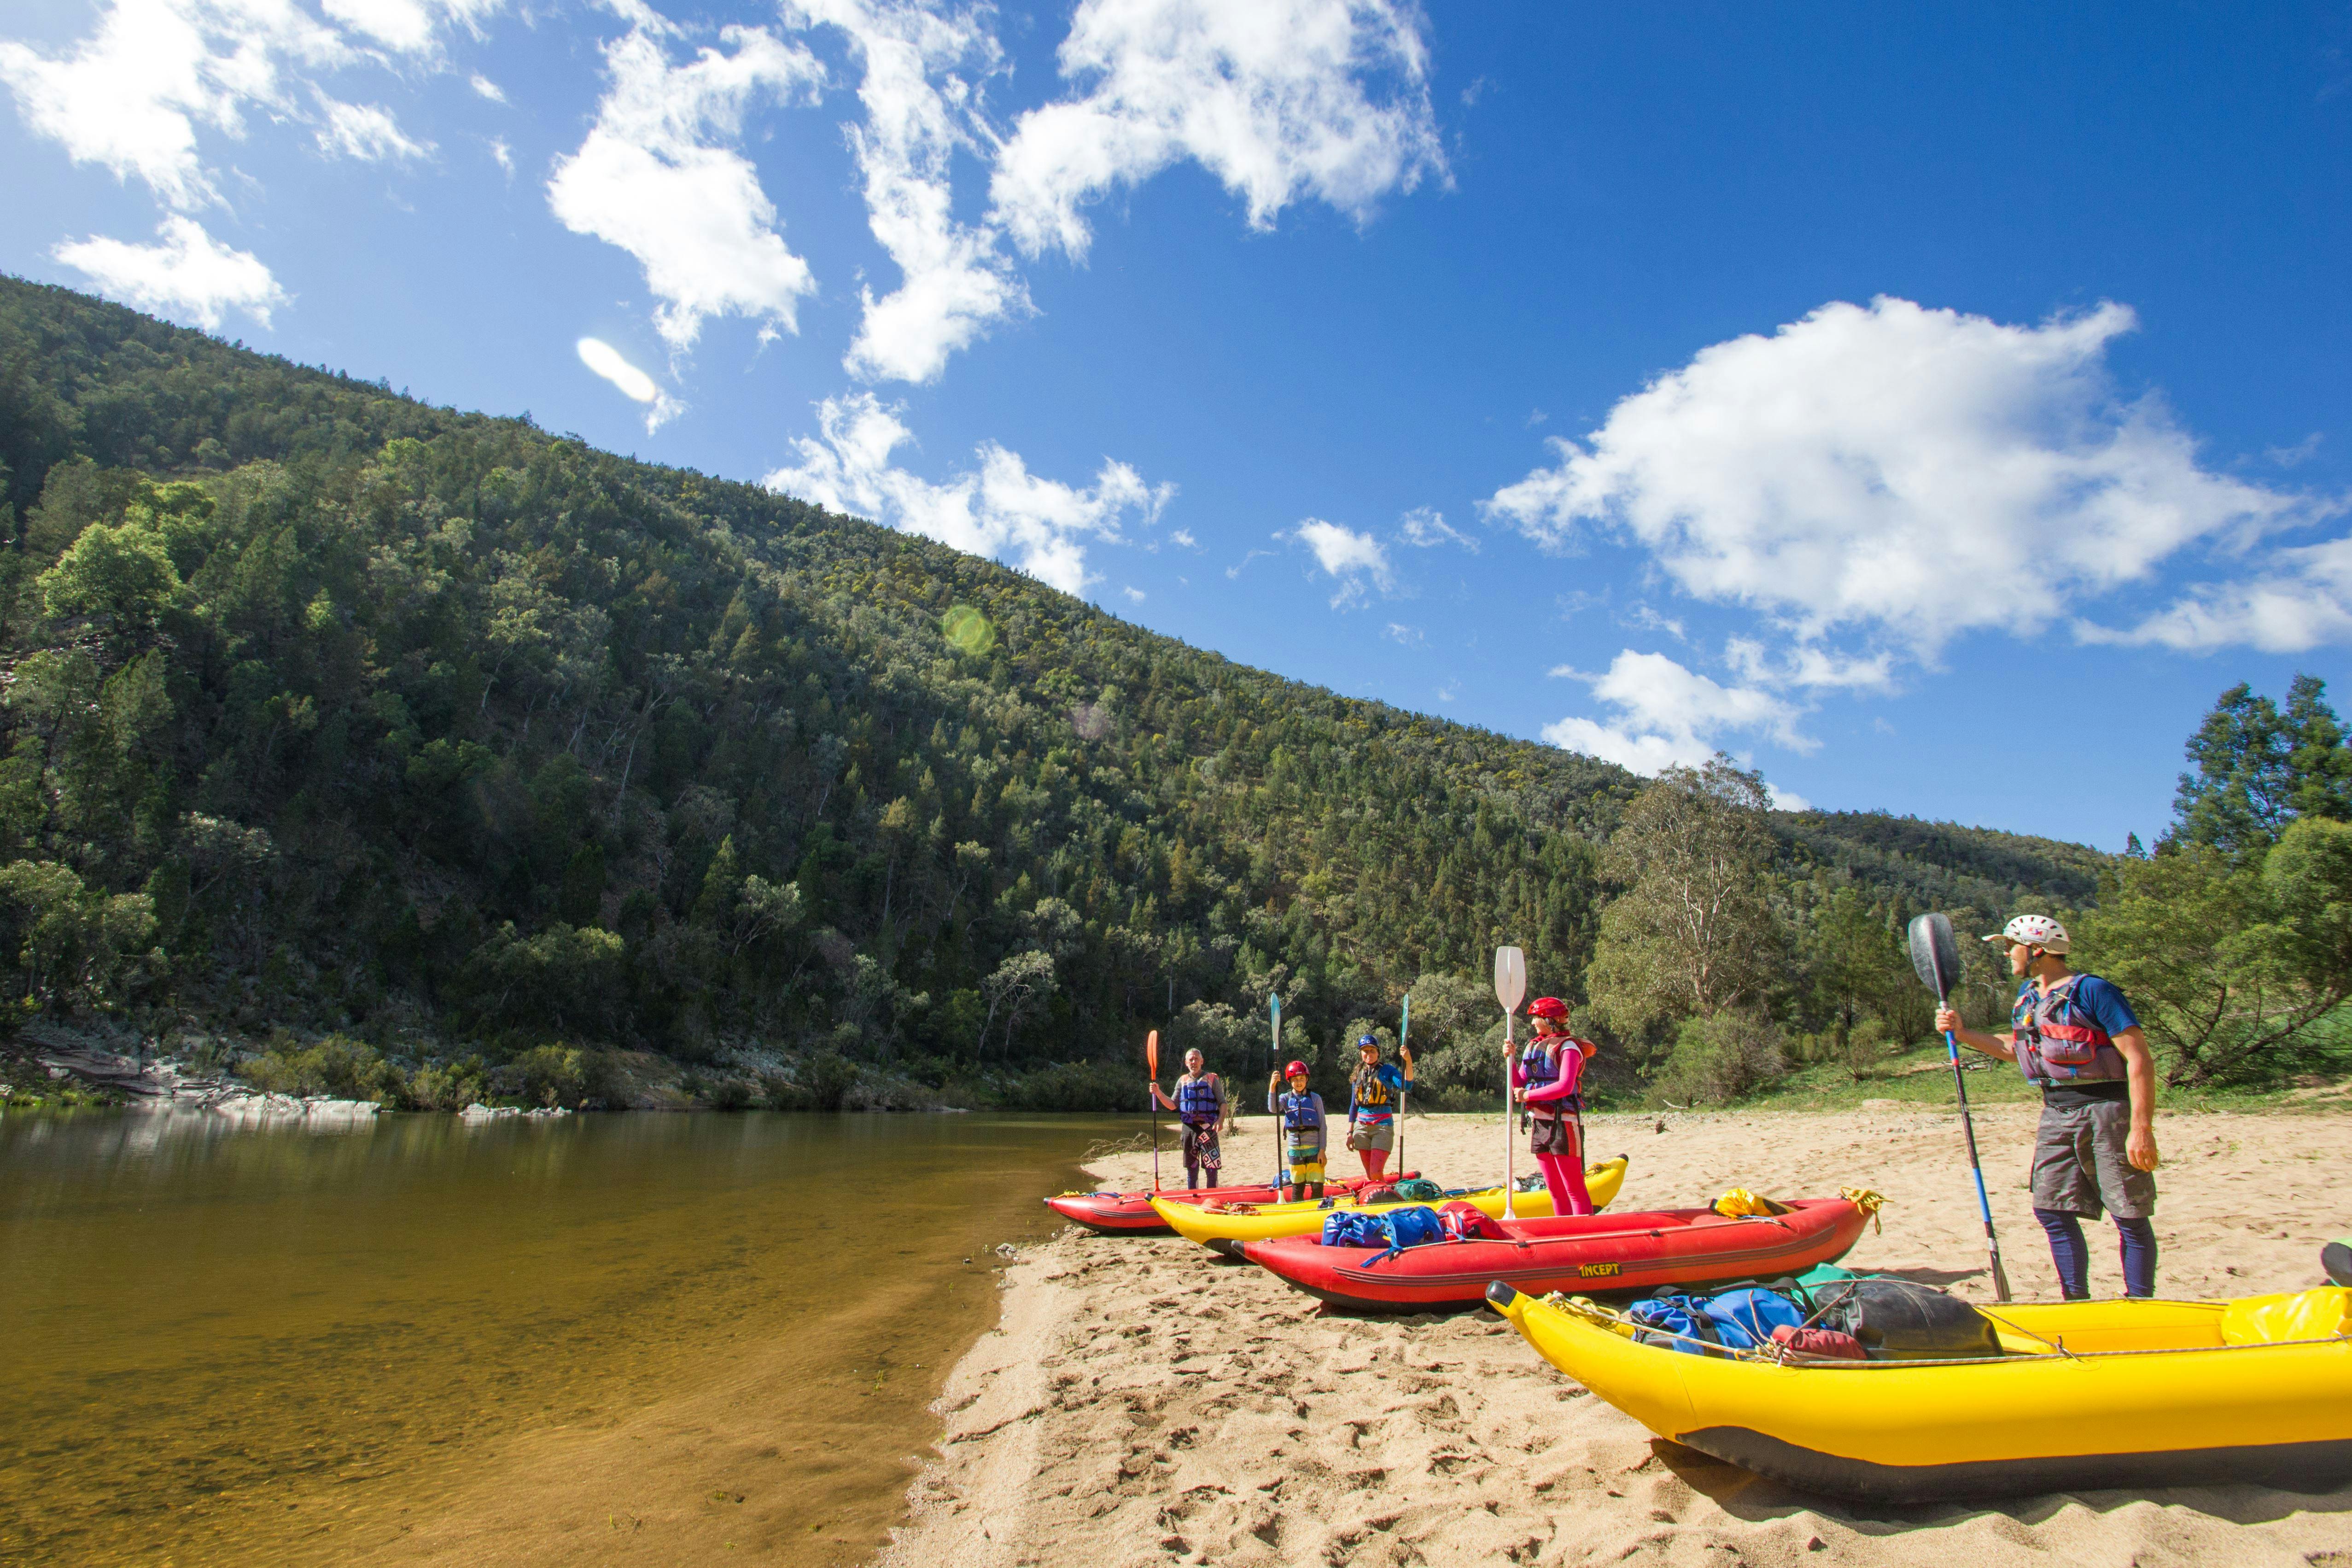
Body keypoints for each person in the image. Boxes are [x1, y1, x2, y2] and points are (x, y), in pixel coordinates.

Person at [1935, 914, 2161, 1300]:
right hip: (2056, 1112)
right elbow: (2013, 1049)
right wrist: (1962, 1033)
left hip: (2107, 1110)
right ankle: (2075, 1299)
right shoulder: (2028, 997)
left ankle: (2140, 1300)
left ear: (2037, 949)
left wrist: (2141, 1128)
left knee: (2129, 1212)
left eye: (2011, 946)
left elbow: (2138, 1057)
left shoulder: (2094, 991)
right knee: (2052, 1210)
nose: (2007, 954)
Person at [1512, 997, 1597, 1216]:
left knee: (1574, 1189)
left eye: (1536, 1019)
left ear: (1550, 1020)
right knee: (1555, 1191)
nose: (1532, 1024)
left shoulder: (1569, 1048)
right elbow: (1519, 1084)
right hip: (1540, 1123)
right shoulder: (1534, 1047)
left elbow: (1565, 1086)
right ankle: (1563, 1233)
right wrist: (1510, 1060)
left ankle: (1582, 1236)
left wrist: (1528, 1094)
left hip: (1565, 1123)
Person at [1152, 1048, 1228, 1190]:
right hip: (1189, 1129)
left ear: (1202, 1061)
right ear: (1187, 1063)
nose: (1194, 1062)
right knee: (1192, 1168)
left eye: (1196, 1059)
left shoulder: (1212, 1080)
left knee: (1212, 1169)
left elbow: (1223, 1103)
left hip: (1209, 1128)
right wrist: (1158, 1093)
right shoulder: (1182, 1081)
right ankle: (1194, 1196)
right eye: (1191, 1060)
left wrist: (1221, 1120)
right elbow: (1172, 1105)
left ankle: (1213, 1196)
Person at [1343, 1033, 1414, 1180]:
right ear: (1361, 1053)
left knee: (1376, 1172)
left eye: (1372, 1051)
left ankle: (1384, 1197)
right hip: (1361, 1128)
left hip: (1382, 1127)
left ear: (1378, 1053)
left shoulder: (1387, 1071)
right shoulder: (1358, 1074)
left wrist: (1408, 1061)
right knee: (1371, 1175)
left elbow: (1406, 1086)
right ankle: (1378, 1196)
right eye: (1366, 1051)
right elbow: (1353, 1106)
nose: (1369, 1054)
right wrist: (1350, 1133)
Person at [1266, 1059, 1328, 1201]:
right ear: (1290, 1081)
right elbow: (1273, 1108)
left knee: (1318, 1186)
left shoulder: (1315, 1098)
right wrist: (1272, 1086)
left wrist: (1322, 1150)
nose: (1299, 1082)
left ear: (1307, 1079)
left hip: (1314, 1150)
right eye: (1295, 1079)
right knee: (1298, 1188)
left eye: (1302, 1079)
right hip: (1295, 1150)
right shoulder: (1285, 1098)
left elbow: (1323, 1126)